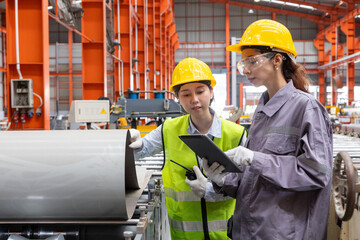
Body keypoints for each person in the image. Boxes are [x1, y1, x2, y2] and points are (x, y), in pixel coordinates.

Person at [202, 19, 333, 239]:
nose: (245, 69)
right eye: (243, 63)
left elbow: (316, 174)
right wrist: (224, 180)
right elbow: (256, 179)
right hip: (251, 231)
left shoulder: (306, 108)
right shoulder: (262, 111)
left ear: (277, 60)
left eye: (252, 61)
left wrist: (255, 158)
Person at [128, 58, 247, 240]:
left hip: (227, 234)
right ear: (178, 98)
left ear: (211, 92)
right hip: (184, 235)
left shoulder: (236, 134)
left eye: (200, 91)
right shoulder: (168, 130)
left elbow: (249, 186)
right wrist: (130, 141)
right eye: (186, 94)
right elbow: (141, 150)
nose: (194, 100)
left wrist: (210, 191)